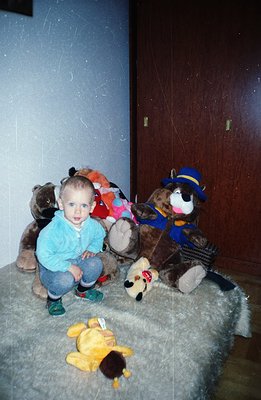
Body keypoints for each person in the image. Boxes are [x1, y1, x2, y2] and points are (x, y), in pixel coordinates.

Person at [36, 175, 106, 317]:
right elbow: (43, 255)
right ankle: (53, 299)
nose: (78, 211)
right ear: (61, 204)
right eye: (72, 204)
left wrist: (92, 248)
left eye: (84, 205)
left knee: (96, 264)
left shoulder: (92, 225)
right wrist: (67, 267)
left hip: (78, 258)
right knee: (65, 280)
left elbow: (100, 234)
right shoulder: (52, 231)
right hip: (53, 266)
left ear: (91, 207)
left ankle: (83, 290)